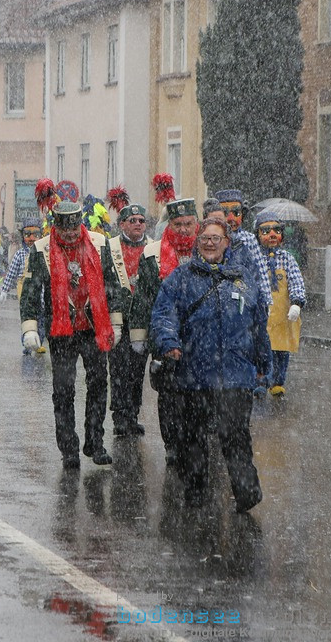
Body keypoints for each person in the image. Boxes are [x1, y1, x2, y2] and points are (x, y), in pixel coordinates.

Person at [150, 218, 270, 510]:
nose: (210, 242)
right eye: (205, 237)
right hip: (195, 376)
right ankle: (196, 494)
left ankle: (247, 493)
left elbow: (259, 324)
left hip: (236, 377)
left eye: (217, 238)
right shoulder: (180, 278)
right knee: (193, 438)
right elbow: (164, 315)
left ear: (227, 243)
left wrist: (263, 363)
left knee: (236, 437)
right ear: (197, 242)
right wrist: (170, 344)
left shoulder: (242, 278)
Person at [19, 198, 122, 468]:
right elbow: (30, 292)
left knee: (99, 383)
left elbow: (113, 284)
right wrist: (30, 328)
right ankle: (69, 450)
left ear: (81, 224)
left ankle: (95, 442)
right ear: (56, 228)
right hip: (61, 330)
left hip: (93, 328)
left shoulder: (100, 244)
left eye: (75, 229)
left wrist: (116, 322)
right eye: (65, 230)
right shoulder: (41, 249)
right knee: (63, 390)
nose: (71, 234)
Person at [129, 197, 200, 467]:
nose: (183, 229)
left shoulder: (206, 248)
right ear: (169, 224)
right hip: (165, 332)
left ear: (196, 224)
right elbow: (144, 298)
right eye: (178, 224)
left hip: (198, 335)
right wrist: (140, 335)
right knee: (169, 393)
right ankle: (171, 444)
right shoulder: (152, 254)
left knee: (197, 391)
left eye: (188, 223)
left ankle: (194, 440)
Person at [107, 201, 151, 437]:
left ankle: (133, 413)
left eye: (141, 221)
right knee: (119, 370)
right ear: (122, 224)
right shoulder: (110, 247)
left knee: (137, 371)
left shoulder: (153, 247)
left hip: (142, 320)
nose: (137, 225)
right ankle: (119, 416)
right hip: (119, 320)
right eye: (132, 221)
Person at [253, 210, 305, 398]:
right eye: (266, 231)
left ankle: (277, 381)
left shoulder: (288, 258)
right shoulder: (254, 258)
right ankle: (261, 381)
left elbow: (297, 282)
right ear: (257, 235)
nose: (272, 235)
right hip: (262, 314)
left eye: (276, 230)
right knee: (261, 350)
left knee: (282, 351)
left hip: (283, 315)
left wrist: (297, 302)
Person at [213, 190, 273, 308]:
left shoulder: (249, 239)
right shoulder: (211, 238)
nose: (231, 218)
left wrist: (265, 301)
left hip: (243, 296)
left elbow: (260, 271)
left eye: (236, 213)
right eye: (225, 213)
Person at [0, 218, 46, 354]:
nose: (31, 239)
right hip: (25, 292)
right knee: (27, 319)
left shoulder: (43, 253)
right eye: (27, 235)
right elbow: (11, 273)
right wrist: (4, 290)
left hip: (41, 292)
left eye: (35, 235)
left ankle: (39, 342)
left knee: (41, 320)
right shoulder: (20, 254)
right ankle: (26, 344)